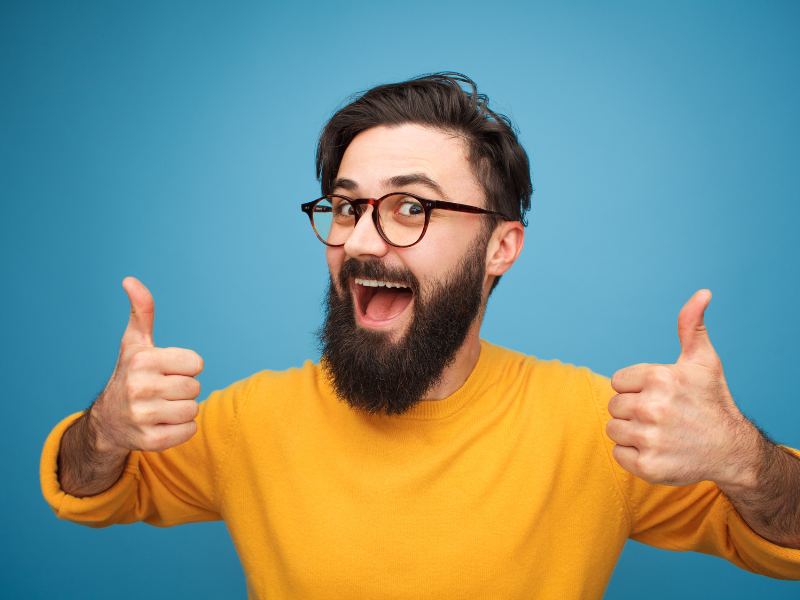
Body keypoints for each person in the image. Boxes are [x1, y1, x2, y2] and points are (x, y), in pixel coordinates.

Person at [41, 73, 800, 599]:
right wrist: (105, 430)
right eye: (346, 207)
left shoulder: (598, 425)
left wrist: (742, 458)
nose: (363, 240)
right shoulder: (249, 421)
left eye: (412, 208)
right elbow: (88, 490)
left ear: (501, 248)